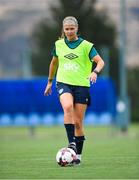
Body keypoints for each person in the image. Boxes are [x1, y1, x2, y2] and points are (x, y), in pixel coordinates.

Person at [44, 16, 105, 165]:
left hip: (82, 86)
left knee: (78, 123)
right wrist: (50, 82)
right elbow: (53, 63)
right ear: (63, 30)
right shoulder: (58, 45)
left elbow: (101, 61)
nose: (69, 31)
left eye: (72, 29)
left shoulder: (86, 46)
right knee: (67, 106)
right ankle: (71, 144)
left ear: (77, 29)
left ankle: (78, 156)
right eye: (67, 29)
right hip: (63, 83)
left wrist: (95, 72)